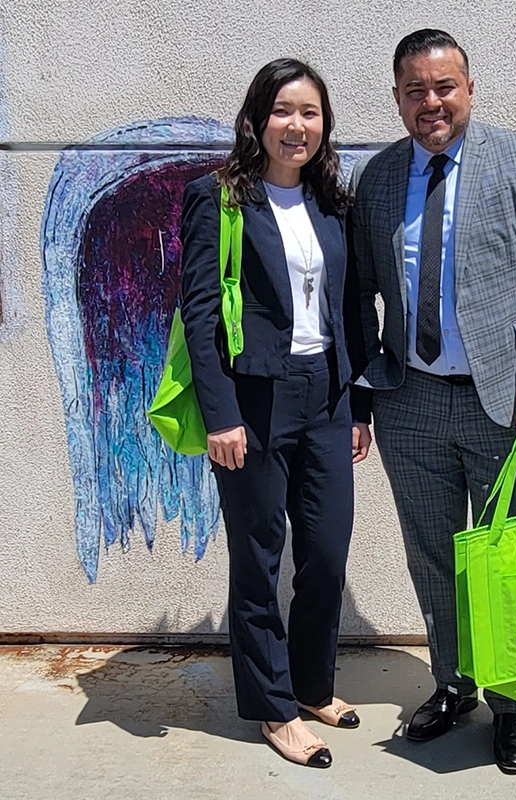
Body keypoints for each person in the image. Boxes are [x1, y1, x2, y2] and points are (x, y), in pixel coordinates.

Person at [348, 30, 516, 773]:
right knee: (435, 556)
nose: (431, 103)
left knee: (509, 561)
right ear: (396, 98)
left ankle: (512, 706)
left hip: (507, 405)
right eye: (415, 90)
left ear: (470, 88)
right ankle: (453, 683)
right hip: (409, 401)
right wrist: (359, 399)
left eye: (444, 86)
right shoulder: (378, 177)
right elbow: (359, 296)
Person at [180, 58, 372, 769]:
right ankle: (272, 707)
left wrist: (358, 402)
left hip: (325, 394)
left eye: (311, 113)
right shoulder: (219, 198)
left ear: (325, 125)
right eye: (285, 111)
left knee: (325, 552)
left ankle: (314, 684)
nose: (299, 126)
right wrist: (221, 412)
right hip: (253, 402)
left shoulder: (332, 202)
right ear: (258, 118)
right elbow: (200, 314)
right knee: (258, 558)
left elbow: (352, 308)